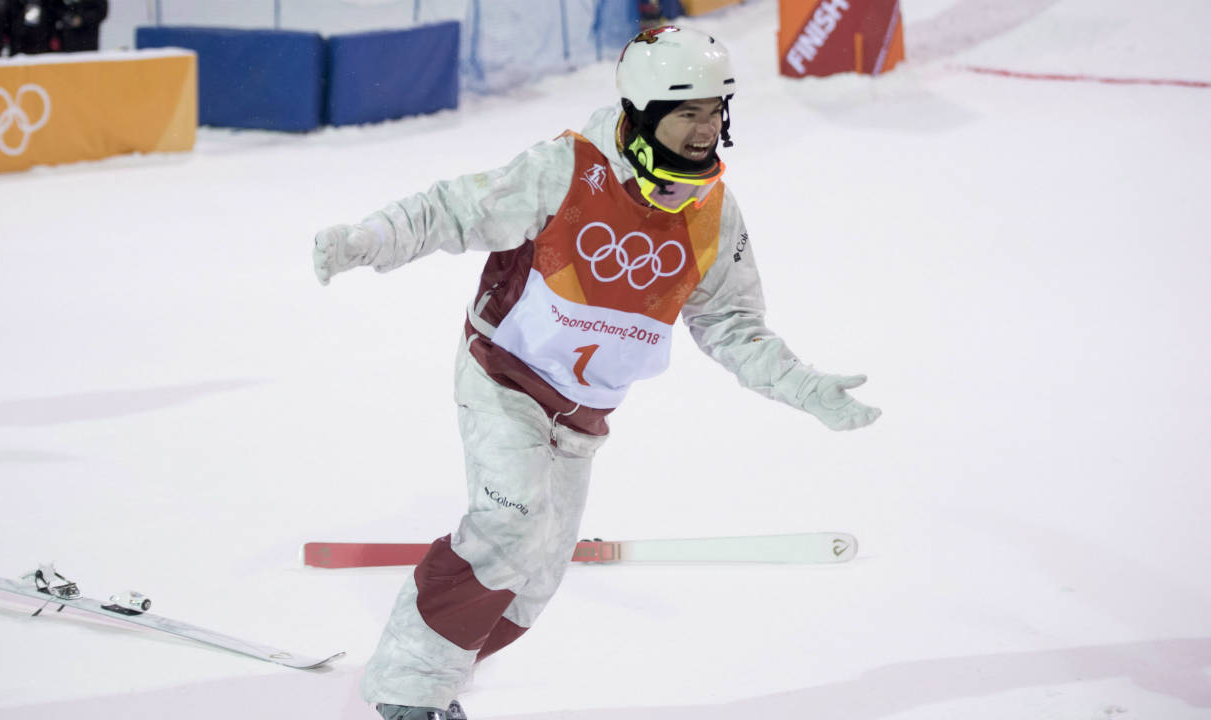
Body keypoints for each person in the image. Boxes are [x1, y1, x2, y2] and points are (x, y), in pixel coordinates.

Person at [312, 25, 881, 720]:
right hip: (505, 380)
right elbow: (453, 210)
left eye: (714, 112)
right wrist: (369, 240)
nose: (706, 131)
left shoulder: (713, 215)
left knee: (535, 582)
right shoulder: (566, 172)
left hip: (582, 417)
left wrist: (805, 387)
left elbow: (731, 325)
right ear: (642, 113)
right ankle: (407, 695)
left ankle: (436, 661)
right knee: (507, 534)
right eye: (687, 113)